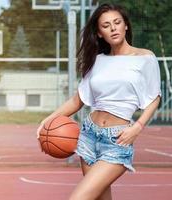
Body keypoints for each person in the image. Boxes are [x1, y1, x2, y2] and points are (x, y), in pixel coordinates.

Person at [37, 3, 161, 200]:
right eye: (106, 25)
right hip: (88, 135)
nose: (113, 28)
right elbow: (78, 100)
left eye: (117, 22)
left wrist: (137, 127)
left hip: (117, 139)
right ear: (100, 32)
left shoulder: (145, 58)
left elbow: (155, 97)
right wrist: (48, 120)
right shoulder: (97, 60)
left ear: (125, 26)